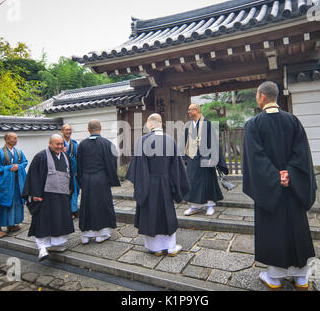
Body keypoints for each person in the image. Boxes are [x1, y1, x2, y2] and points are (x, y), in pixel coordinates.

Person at [242, 81, 317, 291]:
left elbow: (255, 158)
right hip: (294, 189)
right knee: (297, 228)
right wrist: (290, 174)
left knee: (273, 229)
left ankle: (274, 277)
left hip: (269, 191)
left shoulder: (253, 125)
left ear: (262, 97)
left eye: (257, 96)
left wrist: (274, 177)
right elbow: (302, 155)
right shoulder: (293, 121)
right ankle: (301, 277)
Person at [126, 113, 190, 257]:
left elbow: (138, 168)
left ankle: (156, 249)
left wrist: (141, 185)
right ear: (161, 124)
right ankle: (171, 247)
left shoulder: (142, 140)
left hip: (147, 184)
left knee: (150, 214)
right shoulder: (170, 140)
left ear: (150, 124)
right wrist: (176, 187)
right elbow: (177, 168)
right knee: (167, 213)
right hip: (165, 184)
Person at [21, 134, 75, 261]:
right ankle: (42, 248)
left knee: (60, 219)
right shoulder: (41, 156)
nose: (60, 146)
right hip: (45, 196)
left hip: (61, 196)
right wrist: (34, 194)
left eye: (62, 144)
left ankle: (57, 244)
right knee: (42, 221)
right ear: (50, 144)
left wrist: (70, 188)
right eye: (57, 144)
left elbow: (70, 174)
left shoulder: (65, 156)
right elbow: (33, 175)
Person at [77, 120, 120, 244]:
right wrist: (111, 179)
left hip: (86, 178)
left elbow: (78, 165)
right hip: (101, 178)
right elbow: (112, 164)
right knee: (103, 205)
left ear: (88, 129)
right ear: (100, 128)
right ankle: (102, 234)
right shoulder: (107, 144)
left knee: (87, 205)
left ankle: (86, 235)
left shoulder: (82, 145)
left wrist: (81, 179)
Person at [183, 103, 228, 216]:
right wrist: (184, 156)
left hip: (205, 156)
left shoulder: (207, 123)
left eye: (190, 109)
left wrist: (213, 158)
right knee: (192, 180)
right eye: (188, 109)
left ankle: (210, 205)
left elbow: (213, 141)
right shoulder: (188, 124)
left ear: (197, 110)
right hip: (193, 157)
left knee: (207, 181)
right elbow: (185, 141)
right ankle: (194, 206)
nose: (188, 111)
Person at [0, 132, 28, 238]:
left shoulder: (19, 152)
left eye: (16, 138)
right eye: (14, 138)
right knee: (1, 204)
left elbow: (25, 162)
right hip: (4, 185)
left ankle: (11, 225)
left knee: (14, 203)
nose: (16, 140)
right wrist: (8, 168)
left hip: (16, 184)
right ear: (7, 140)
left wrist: (18, 166)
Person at [61, 124, 80, 219]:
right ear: (62, 131)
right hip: (62, 172)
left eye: (70, 130)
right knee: (64, 191)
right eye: (66, 130)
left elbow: (78, 158)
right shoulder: (58, 143)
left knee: (74, 190)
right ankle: (66, 211)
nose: (69, 131)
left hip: (73, 172)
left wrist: (77, 170)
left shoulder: (74, 143)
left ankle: (73, 210)